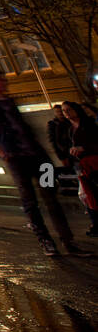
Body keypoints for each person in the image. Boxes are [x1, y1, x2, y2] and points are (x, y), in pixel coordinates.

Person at [0, 67, 86, 257]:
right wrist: (4, 154)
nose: (3, 84)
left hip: (38, 156)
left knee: (51, 196)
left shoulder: (9, 102)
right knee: (30, 201)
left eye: (3, 80)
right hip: (16, 158)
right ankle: (45, 240)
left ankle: (68, 241)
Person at [63, 101, 98, 237]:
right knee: (88, 195)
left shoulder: (89, 124)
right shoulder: (69, 129)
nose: (67, 113)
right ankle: (95, 222)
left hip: (94, 162)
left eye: (69, 110)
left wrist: (84, 148)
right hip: (82, 165)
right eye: (65, 111)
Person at [47, 104, 74, 171]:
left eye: (61, 111)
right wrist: (58, 151)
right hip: (62, 150)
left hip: (72, 147)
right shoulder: (52, 124)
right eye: (57, 111)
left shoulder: (69, 121)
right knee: (69, 168)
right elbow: (52, 139)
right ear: (55, 113)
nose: (60, 113)